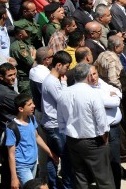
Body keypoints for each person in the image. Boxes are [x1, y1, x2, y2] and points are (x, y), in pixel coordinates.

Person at [57, 63, 114, 189]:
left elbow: (60, 119)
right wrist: (105, 139)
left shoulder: (63, 93)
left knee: (80, 176)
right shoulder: (92, 94)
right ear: (88, 76)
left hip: (72, 140)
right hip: (93, 141)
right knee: (104, 179)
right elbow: (101, 121)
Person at [6, 93, 56, 189]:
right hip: (22, 167)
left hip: (33, 163)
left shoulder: (32, 118)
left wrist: (50, 152)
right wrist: (14, 177)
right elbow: (11, 154)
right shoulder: (12, 128)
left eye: (32, 103)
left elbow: (37, 137)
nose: (33, 106)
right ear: (21, 109)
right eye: (29, 104)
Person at [41, 51, 73, 189]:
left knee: (53, 157)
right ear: (58, 65)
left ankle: (53, 185)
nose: (67, 70)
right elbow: (63, 101)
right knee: (66, 159)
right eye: (66, 67)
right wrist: (64, 84)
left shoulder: (53, 80)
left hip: (53, 124)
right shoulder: (52, 82)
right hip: (55, 126)